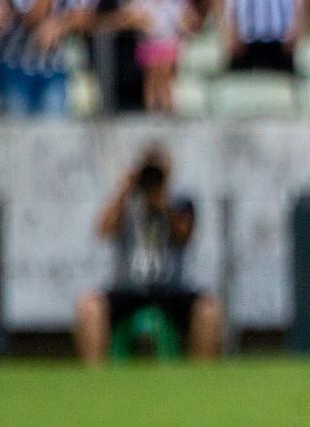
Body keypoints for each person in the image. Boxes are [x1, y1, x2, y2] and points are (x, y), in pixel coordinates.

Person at [73, 148, 223, 364]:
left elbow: (185, 236)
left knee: (209, 310)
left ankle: (201, 377)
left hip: (171, 289)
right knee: (88, 307)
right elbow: (102, 230)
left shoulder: (180, 202)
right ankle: (95, 378)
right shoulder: (126, 203)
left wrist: (163, 203)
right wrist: (123, 189)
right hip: (127, 289)